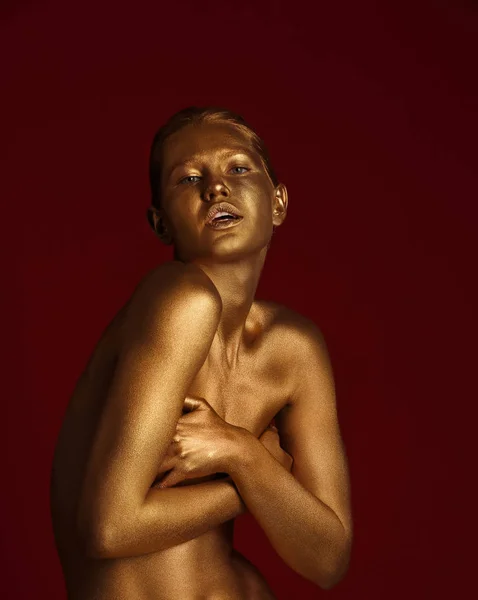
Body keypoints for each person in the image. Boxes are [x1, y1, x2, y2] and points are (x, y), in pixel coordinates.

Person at [50, 106, 353, 600]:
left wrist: (242, 453)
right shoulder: (180, 300)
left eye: (238, 168)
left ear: (278, 203)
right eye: (188, 178)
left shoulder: (294, 346)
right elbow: (109, 528)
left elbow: (327, 558)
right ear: (160, 222)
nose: (215, 188)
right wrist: (252, 482)